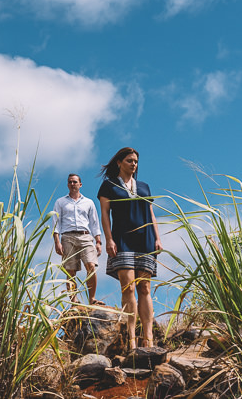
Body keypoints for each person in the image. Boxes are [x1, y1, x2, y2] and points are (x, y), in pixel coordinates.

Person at [97, 147, 163, 350]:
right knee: (129, 287)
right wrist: (109, 239)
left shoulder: (144, 187)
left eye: (135, 161)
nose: (133, 164)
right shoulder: (108, 186)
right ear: (119, 162)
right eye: (129, 161)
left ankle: (148, 338)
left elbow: (151, 215)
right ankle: (131, 338)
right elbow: (105, 215)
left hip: (145, 241)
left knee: (145, 288)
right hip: (122, 240)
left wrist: (157, 238)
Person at [52, 173, 103, 306]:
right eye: (70, 182)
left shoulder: (89, 202)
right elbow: (56, 222)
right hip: (67, 237)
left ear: (80, 184)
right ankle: (74, 301)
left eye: (75, 182)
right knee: (70, 270)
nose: (72, 184)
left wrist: (98, 241)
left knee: (91, 266)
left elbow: (94, 223)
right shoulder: (60, 202)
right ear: (68, 184)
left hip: (86, 236)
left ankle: (92, 299)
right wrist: (57, 242)